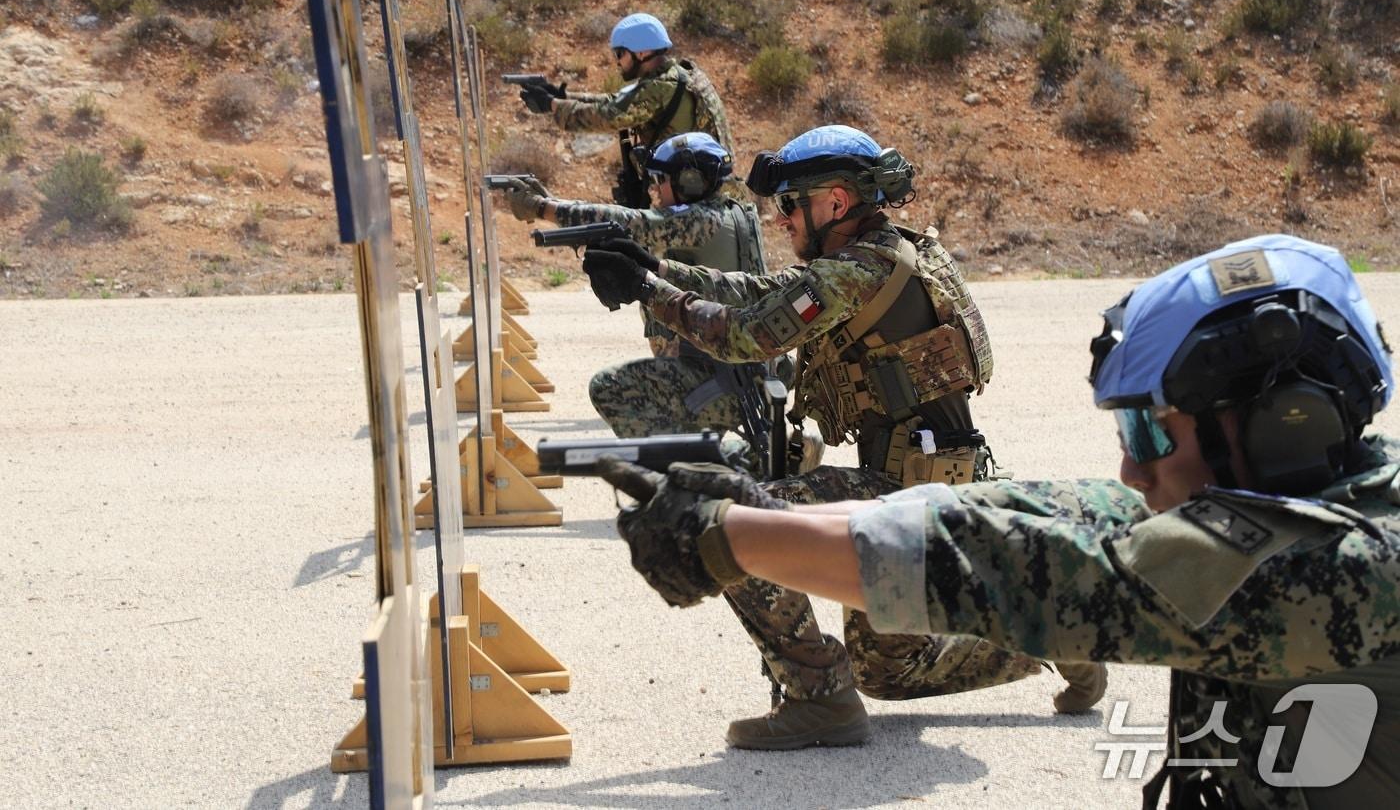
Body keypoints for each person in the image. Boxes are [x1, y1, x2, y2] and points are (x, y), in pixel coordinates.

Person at [603, 233, 1399, 807]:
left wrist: (728, 534)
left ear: (1281, 424)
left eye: (1155, 432)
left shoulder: (1351, 569)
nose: (1134, 469)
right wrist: (759, 510)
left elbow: (1046, 568)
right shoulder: (1319, 497)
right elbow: (1039, 514)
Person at [581, 124, 1097, 749]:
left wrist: (649, 292)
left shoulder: (860, 271)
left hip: (903, 496)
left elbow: (749, 335)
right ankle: (1051, 634)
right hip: (931, 490)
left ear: (835, 202)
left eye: (791, 204)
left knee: (731, 523)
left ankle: (817, 696)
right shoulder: (885, 254)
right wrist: (658, 269)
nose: (782, 219)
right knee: (887, 670)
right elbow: (766, 295)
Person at [499, 133, 768, 449]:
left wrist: (544, 208)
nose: (655, 189)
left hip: (725, 381)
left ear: (690, 181)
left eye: (660, 180)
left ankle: (690, 464)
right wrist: (559, 205)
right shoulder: (731, 212)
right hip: (737, 372)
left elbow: (631, 222)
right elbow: (637, 223)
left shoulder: (702, 221)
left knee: (609, 387)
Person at [517, 12, 732, 207]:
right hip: (702, 186)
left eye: (620, 54)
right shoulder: (678, 75)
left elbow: (609, 116)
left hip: (696, 196)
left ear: (642, 53)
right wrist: (564, 97)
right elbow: (618, 101)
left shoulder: (660, 88)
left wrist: (551, 105)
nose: (617, 62)